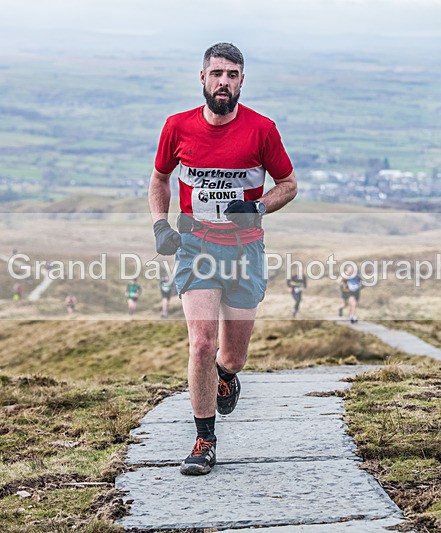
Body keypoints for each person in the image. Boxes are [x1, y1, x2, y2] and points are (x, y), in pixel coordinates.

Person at [148, 42, 297, 475]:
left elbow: (288, 183)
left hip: (245, 247)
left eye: (232, 75)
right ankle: (204, 440)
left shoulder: (262, 130)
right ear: (202, 77)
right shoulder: (177, 127)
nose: (223, 82)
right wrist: (161, 224)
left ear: (241, 81)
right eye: (216, 74)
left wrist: (260, 207)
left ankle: (226, 376)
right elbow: (159, 178)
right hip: (197, 246)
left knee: (231, 355)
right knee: (201, 343)